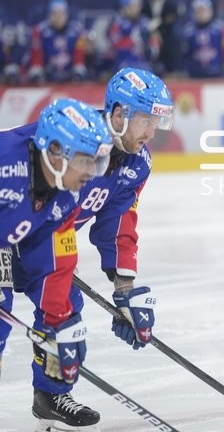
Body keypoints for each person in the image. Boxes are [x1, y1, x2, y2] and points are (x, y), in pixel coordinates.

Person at [11, 67, 174, 431]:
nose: (151, 132)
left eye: (157, 122)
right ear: (119, 114)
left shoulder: (136, 163)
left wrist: (125, 288)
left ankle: (50, 396)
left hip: (44, 236)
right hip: (12, 226)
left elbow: (117, 223)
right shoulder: (77, 135)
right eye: (145, 119)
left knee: (66, 307)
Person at [0, 99, 112, 427]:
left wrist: (59, 321)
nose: (92, 172)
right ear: (54, 151)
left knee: (64, 306)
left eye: (97, 162)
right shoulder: (5, 161)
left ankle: (50, 396)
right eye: (84, 161)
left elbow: (56, 260)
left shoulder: (68, 191)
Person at [28, 0, 88, 83]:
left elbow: (79, 55)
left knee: (80, 72)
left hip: (71, 73)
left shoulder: (77, 30)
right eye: (55, 13)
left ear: (67, 14)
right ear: (49, 15)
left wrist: (78, 69)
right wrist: (38, 70)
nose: (58, 17)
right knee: (35, 74)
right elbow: (36, 55)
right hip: (47, 72)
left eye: (61, 13)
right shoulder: (39, 31)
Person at [180, 0, 224, 78]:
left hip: (217, 72)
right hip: (194, 73)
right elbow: (184, 52)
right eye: (198, 11)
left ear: (211, 11)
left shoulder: (222, 29)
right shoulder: (187, 31)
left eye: (203, 10)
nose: (201, 14)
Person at [107, 0, 159, 71]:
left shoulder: (145, 22)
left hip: (143, 62)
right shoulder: (118, 22)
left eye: (138, 5)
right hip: (123, 63)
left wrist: (151, 49)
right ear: (124, 7)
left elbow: (154, 44)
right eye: (132, 5)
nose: (136, 8)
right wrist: (129, 32)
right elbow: (114, 43)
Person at [141, 0, 179, 73]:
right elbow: (143, 21)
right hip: (149, 38)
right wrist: (153, 33)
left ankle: (171, 71)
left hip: (166, 38)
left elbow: (171, 20)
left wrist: (159, 30)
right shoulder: (144, 4)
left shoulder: (171, 4)